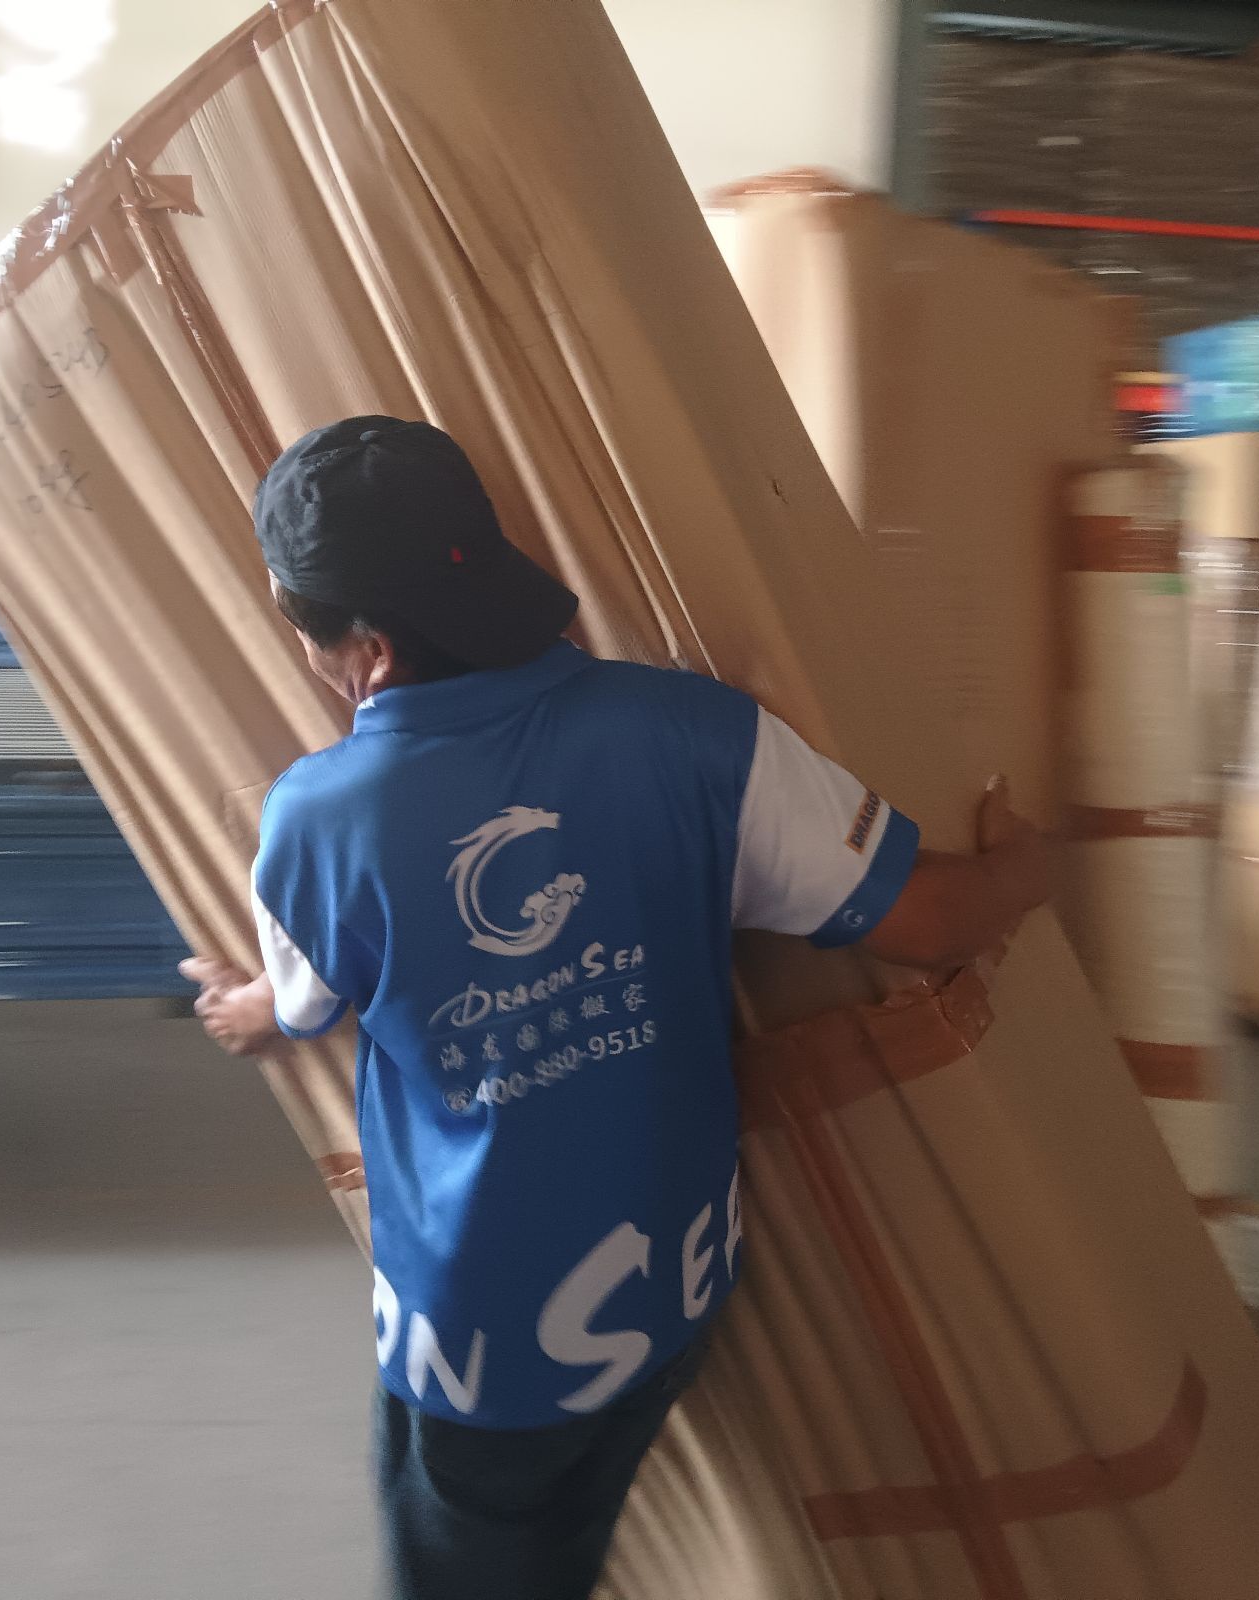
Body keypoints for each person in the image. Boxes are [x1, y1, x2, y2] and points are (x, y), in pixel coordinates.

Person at [180, 416, 1053, 1600]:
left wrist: (243, 1011)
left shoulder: (318, 822)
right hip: (676, 1291)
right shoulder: (697, 733)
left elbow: (303, 1002)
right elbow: (933, 919)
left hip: (482, 1353)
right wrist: (1032, 867)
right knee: (576, 1526)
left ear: (368, 651)